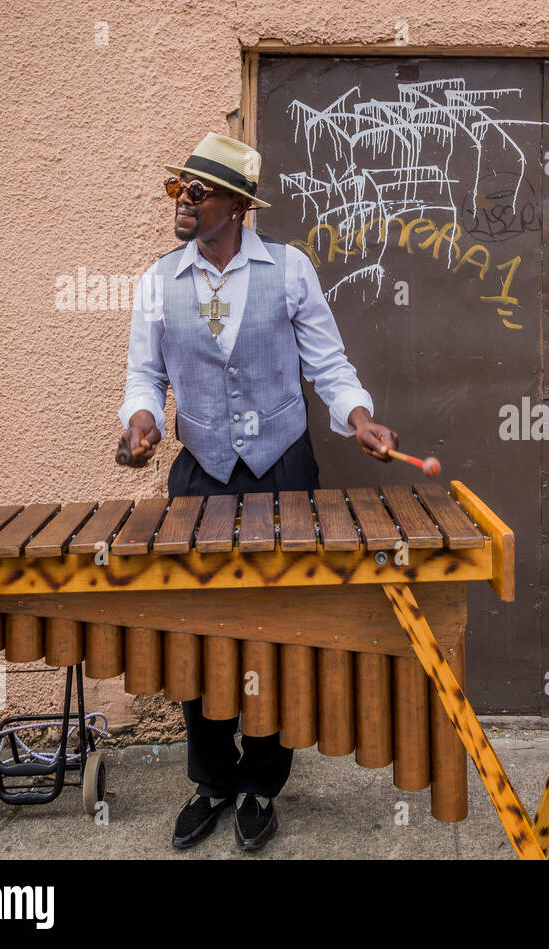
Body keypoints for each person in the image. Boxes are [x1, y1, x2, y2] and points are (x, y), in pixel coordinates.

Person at [118, 133, 399, 851]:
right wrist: (143, 420)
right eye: (179, 188)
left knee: (279, 630)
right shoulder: (158, 279)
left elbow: (328, 366)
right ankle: (211, 779)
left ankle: (261, 786)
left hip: (282, 468)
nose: (184, 200)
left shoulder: (290, 269)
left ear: (239, 206)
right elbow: (143, 378)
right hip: (199, 474)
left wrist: (358, 418)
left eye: (199, 191)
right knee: (197, 633)